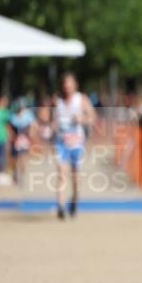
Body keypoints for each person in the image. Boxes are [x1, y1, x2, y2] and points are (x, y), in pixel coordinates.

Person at [54, 72, 95, 219]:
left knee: (75, 176)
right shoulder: (58, 101)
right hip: (62, 141)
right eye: (65, 83)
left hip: (77, 142)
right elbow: (54, 120)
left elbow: (92, 117)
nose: (67, 86)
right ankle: (60, 206)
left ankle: (75, 200)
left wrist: (82, 118)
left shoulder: (82, 99)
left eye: (70, 83)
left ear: (75, 84)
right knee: (61, 173)